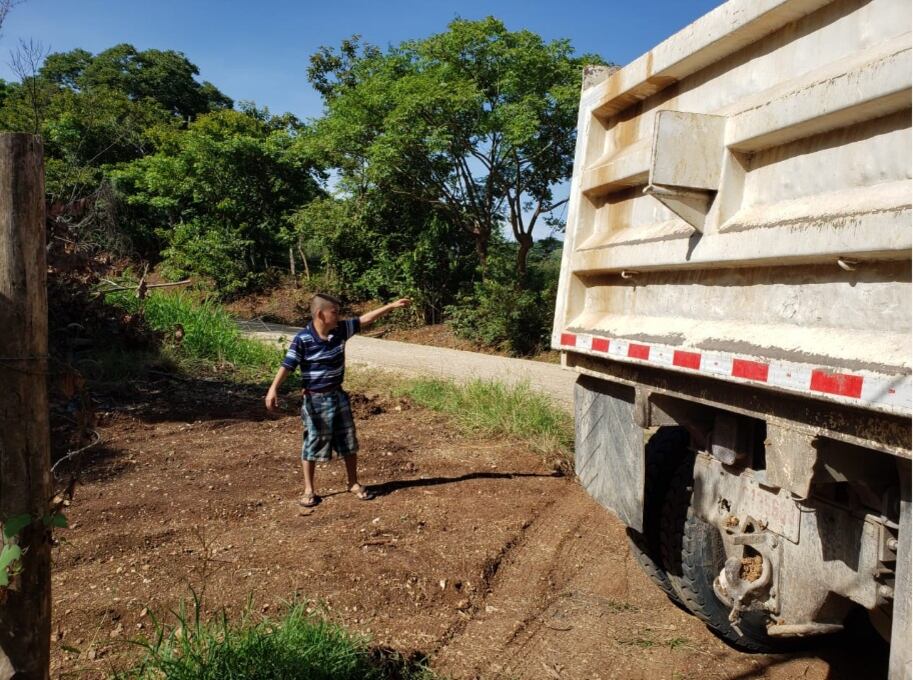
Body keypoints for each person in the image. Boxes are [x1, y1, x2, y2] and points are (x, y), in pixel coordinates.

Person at [265, 293, 411, 507]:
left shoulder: (340, 330)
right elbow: (288, 365)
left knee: (348, 440)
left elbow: (365, 319)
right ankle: (309, 490)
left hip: (338, 395)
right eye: (334, 312)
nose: (339, 316)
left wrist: (390, 306)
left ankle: (353, 483)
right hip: (315, 400)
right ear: (320, 314)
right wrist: (273, 389)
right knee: (313, 442)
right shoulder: (303, 339)